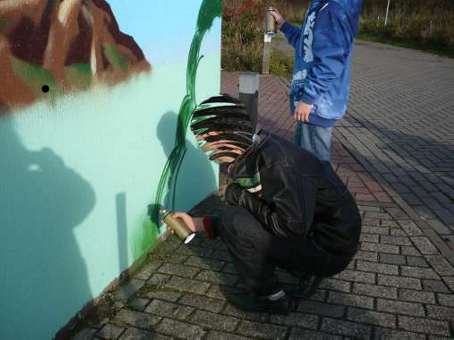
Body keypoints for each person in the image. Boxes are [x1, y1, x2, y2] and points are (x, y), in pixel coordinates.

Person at [172, 95, 362, 314]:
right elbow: (267, 212)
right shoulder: (259, 149)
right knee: (236, 213)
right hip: (323, 237)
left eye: (204, 142)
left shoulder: (278, 165)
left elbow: (289, 226)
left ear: (218, 136)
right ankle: (302, 271)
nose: (207, 152)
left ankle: (271, 297)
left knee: (234, 220)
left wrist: (239, 196)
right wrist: (198, 223)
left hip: (329, 250)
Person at [269, 1, 363, 161]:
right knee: (304, 163)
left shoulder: (333, 8)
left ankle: (320, 187)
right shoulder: (320, 5)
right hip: (311, 101)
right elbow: (305, 43)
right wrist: (283, 24)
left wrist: (308, 98)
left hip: (317, 103)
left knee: (314, 169)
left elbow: (331, 62)